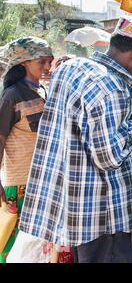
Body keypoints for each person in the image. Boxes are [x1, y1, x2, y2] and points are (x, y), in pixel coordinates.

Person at [18, 16, 132, 263]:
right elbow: (109, 158)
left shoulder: (71, 69)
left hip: (76, 209)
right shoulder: (111, 87)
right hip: (104, 213)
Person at [0, 37, 54, 263]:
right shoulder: (12, 95)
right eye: (41, 62)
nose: (47, 68)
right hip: (21, 184)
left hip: (44, 181)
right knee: (17, 247)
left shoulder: (42, 90)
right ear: (23, 63)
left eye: (49, 62)